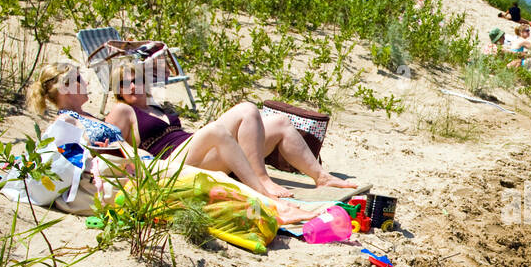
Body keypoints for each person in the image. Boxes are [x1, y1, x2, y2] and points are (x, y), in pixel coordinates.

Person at [26, 62, 320, 222]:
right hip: (158, 165)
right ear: (65, 88)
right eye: (79, 79)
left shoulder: (85, 116)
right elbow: (77, 156)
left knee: (251, 127)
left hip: (160, 161)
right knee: (221, 129)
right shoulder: (72, 121)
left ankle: (294, 193)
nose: (86, 82)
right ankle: (265, 190)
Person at [102, 61, 355, 199]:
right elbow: (106, 141)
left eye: (137, 79)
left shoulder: (158, 107)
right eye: (125, 83)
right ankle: (261, 180)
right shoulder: (123, 110)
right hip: (175, 162)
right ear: (118, 90)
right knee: (246, 109)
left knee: (281, 123)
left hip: (201, 151)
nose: (133, 86)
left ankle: (321, 177)